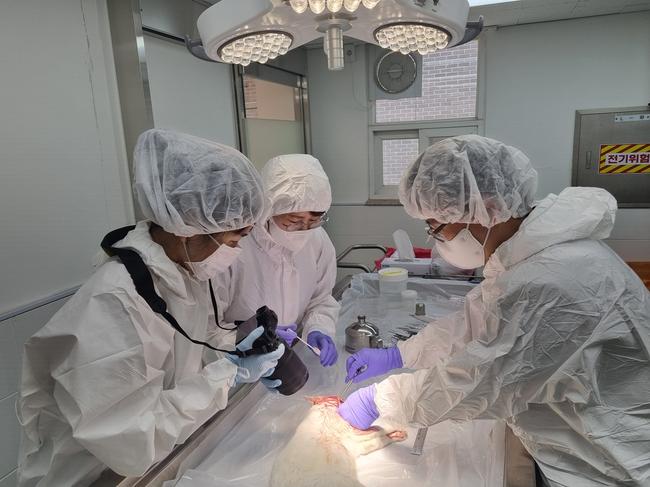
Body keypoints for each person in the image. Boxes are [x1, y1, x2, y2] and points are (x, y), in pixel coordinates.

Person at [339, 135, 650, 486]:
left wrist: (381, 399)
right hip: (583, 439)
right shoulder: (533, 256)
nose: (435, 239)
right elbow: (476, 322)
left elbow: (482, 379)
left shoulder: (550, 280)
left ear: (486, 209)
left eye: (437, 226)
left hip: (612, 463)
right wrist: (401, 353)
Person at [17, 129, 284, 486]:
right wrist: (228, 376)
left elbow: (190, 347)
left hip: (154, 461)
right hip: (96, 477)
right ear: (189, 228)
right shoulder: (113, 304)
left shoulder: (184, 273)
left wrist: (237, 347)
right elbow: (132, 440)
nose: (235, 252)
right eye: (234, 240)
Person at [214, 154, 339, 368]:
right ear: (269, 210)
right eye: (294, 220)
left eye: (314, 220)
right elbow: (207, 326)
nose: (304, 229)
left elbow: (321, 299)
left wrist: (319, 328)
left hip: (290, 357)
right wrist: (248, 337)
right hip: (239, 364)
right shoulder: (237, 245)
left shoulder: (317, 240)